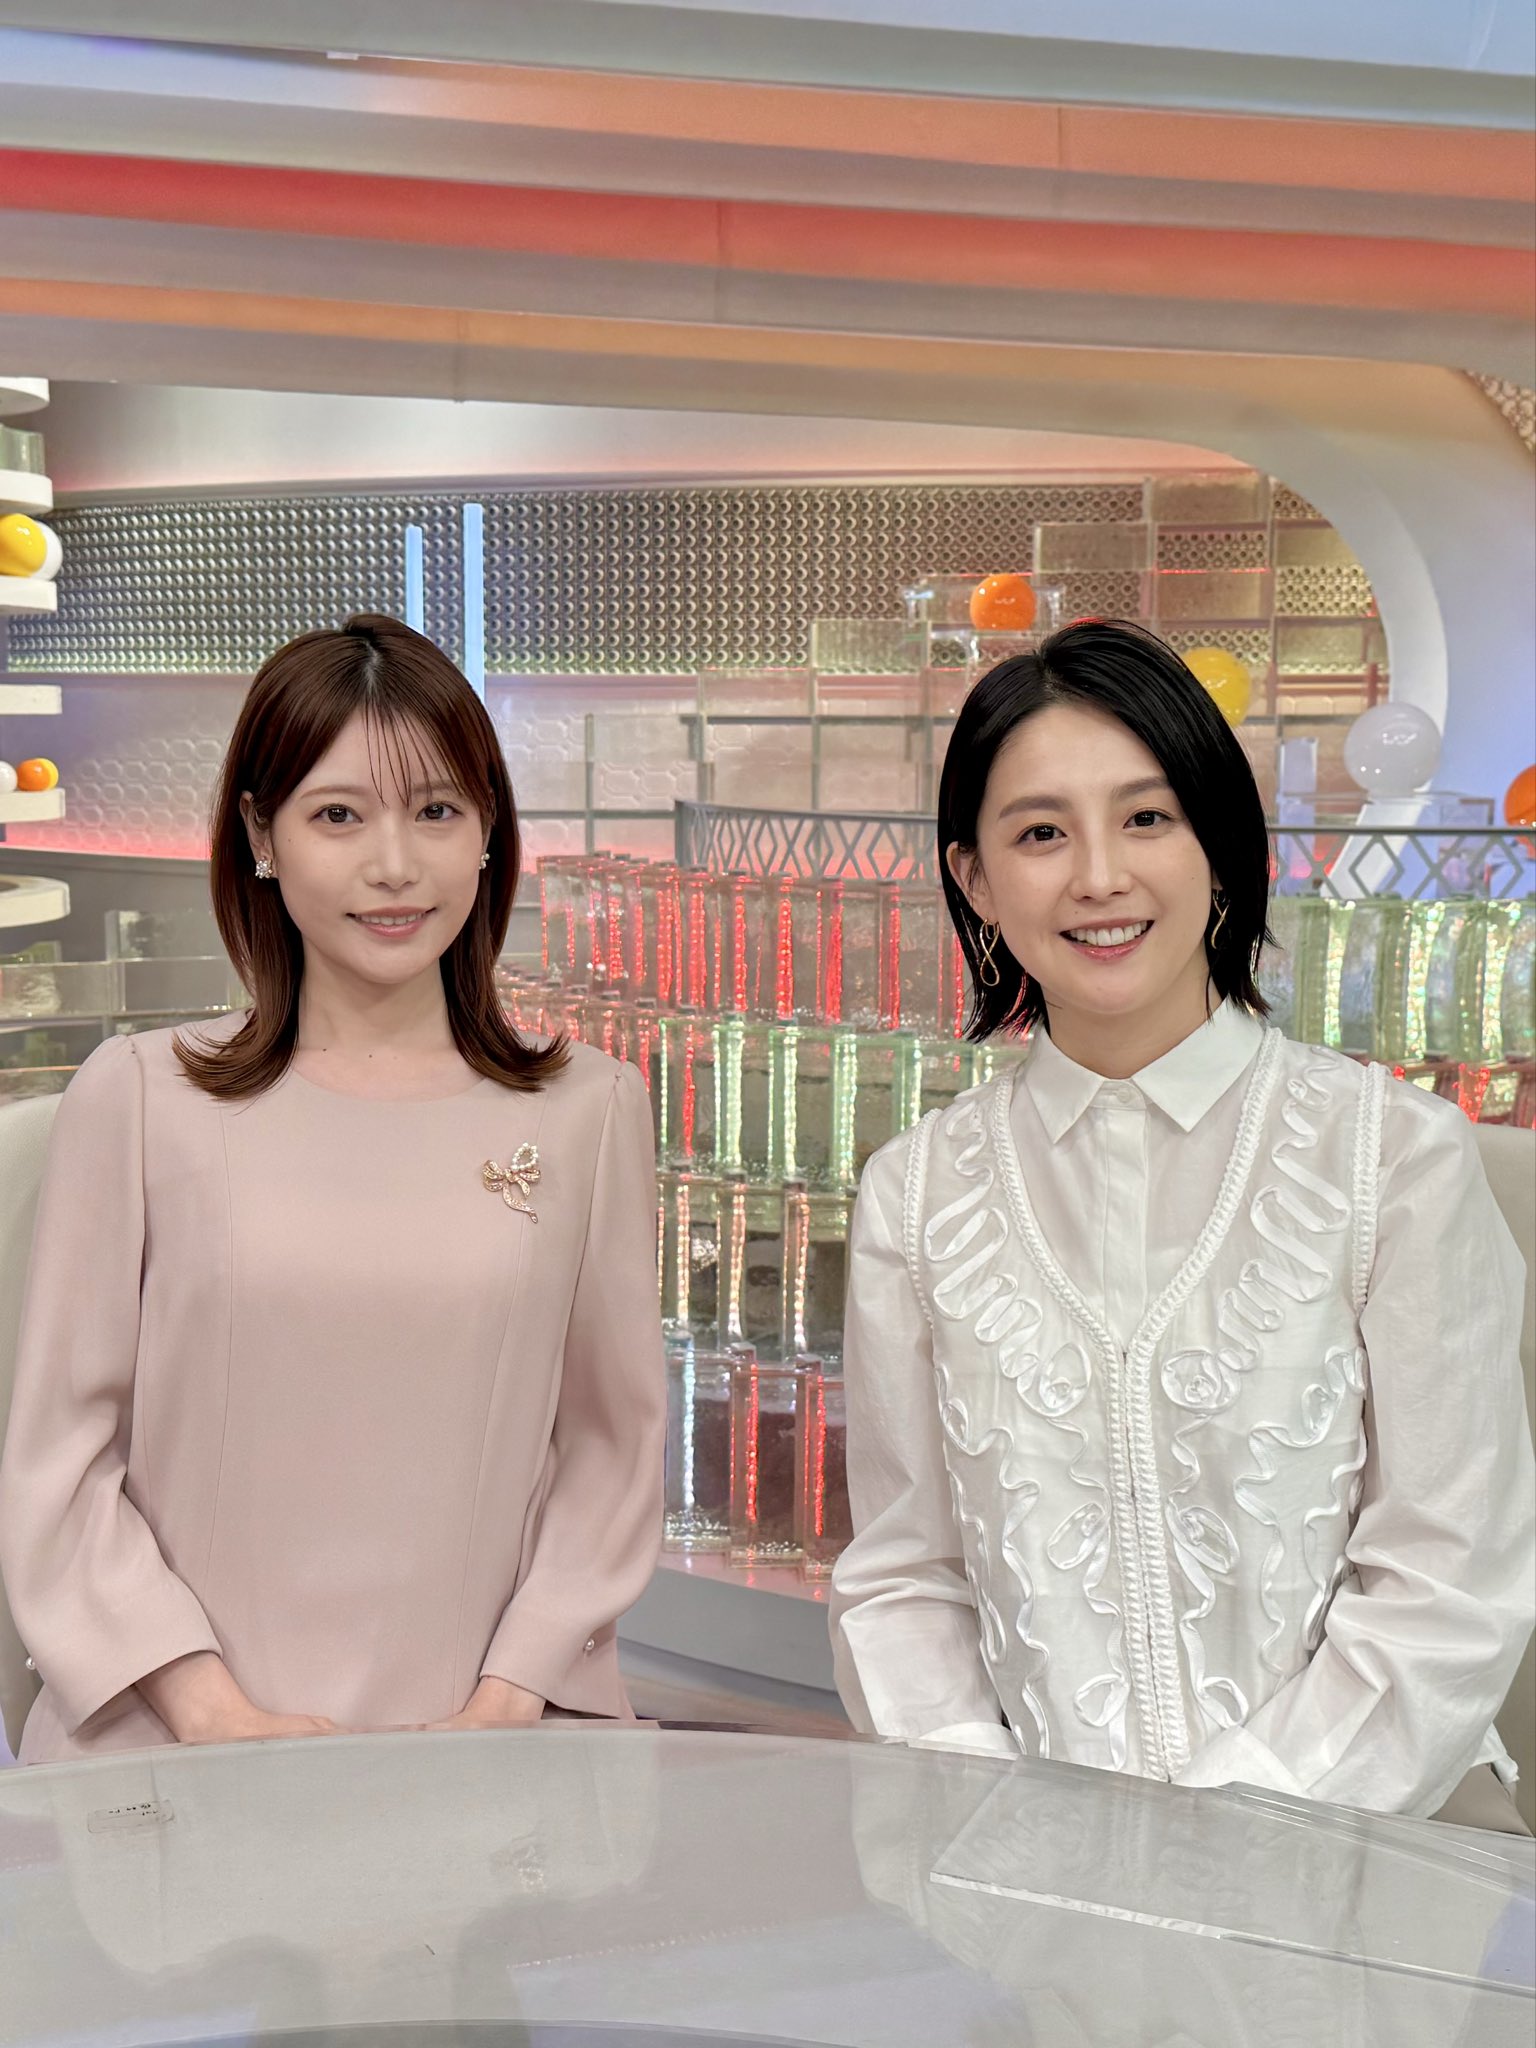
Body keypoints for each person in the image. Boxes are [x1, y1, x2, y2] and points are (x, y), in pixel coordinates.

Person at [830, 619, 1534, 1825]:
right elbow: (905, 1578)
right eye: (1041, 832)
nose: (1100, 875)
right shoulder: (916, 1194)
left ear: (1221, 843)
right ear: (976, 881)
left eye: (1147, 816)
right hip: (1037, 1864)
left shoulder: (1393, 1159)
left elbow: (1449, 1584)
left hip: (1367, 1840)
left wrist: (1215, 1835)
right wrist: (1000, 1822)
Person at [0, 614, 665, 1763]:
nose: (394, 864)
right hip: (179, 1753)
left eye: (437, 810)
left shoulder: (589, 1109)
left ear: (490, 831)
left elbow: (613, 1450)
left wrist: (506, 1700)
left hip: (480, 1754)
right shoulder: (140, 1096)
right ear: (262, 833)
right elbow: (61, 1457)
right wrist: (211, 1711)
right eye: (339, 815)